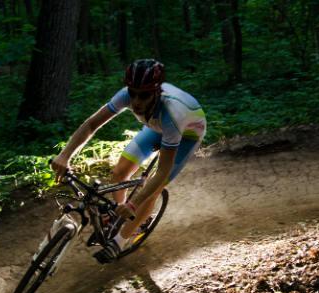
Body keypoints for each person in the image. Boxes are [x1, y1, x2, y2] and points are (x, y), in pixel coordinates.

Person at [50, 59, 207, 264]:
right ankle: (119, 216)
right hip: (156, 126)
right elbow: (91, 125)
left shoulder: (172, 114)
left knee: (154, 187)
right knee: (119, 172)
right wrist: (65, 155)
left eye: (144, 95)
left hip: (187, 134)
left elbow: (162, 172)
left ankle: (120, 240)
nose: (136, 101)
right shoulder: (127, 95)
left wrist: (133, 204)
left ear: (157, 92)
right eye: (132, 92)